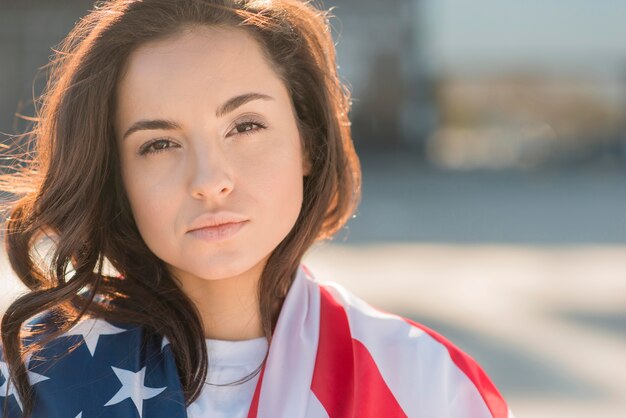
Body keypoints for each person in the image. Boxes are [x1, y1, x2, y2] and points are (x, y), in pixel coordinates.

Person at [0, 0, 514, 417]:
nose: (209, 182)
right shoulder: (31, 379)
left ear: (307, 142)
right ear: (116, 177)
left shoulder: (425, 383)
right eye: (158, 144)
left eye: (245, 126)